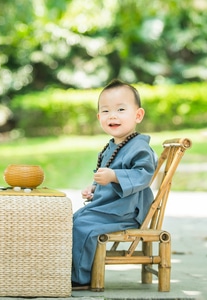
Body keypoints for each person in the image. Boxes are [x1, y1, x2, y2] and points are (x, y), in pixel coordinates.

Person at [71, 79, 157, 290]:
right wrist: (94, 187)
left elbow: (143, 174)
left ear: (138, 115)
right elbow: (107, 171)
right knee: (72, 221)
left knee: (84, 227)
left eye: (120, 109)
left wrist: (113, 176)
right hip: (109, 208)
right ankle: (67, 268)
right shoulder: (113, 145)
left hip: (127, 211)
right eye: (106, 111)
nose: (113, 115)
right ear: (99, 117)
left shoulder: (139, 147)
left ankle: (81, 277)